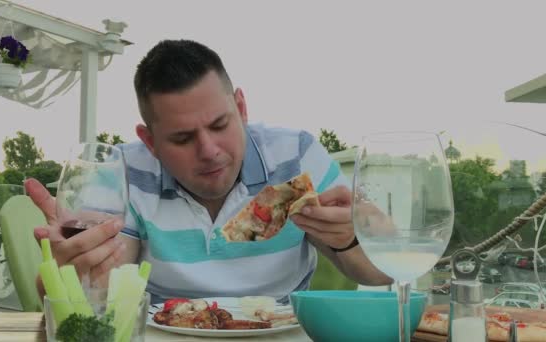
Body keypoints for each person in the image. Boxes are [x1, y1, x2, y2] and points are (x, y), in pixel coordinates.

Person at [28, 39, 391, 303]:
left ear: (241, 107)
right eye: (183, 139)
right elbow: (94, 293)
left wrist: (354, 237)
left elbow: (380, 272)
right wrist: (70, 273)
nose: (209, 151)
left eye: (220, 125)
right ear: (150, 141)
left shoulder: (296, 156)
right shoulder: (122, 172)